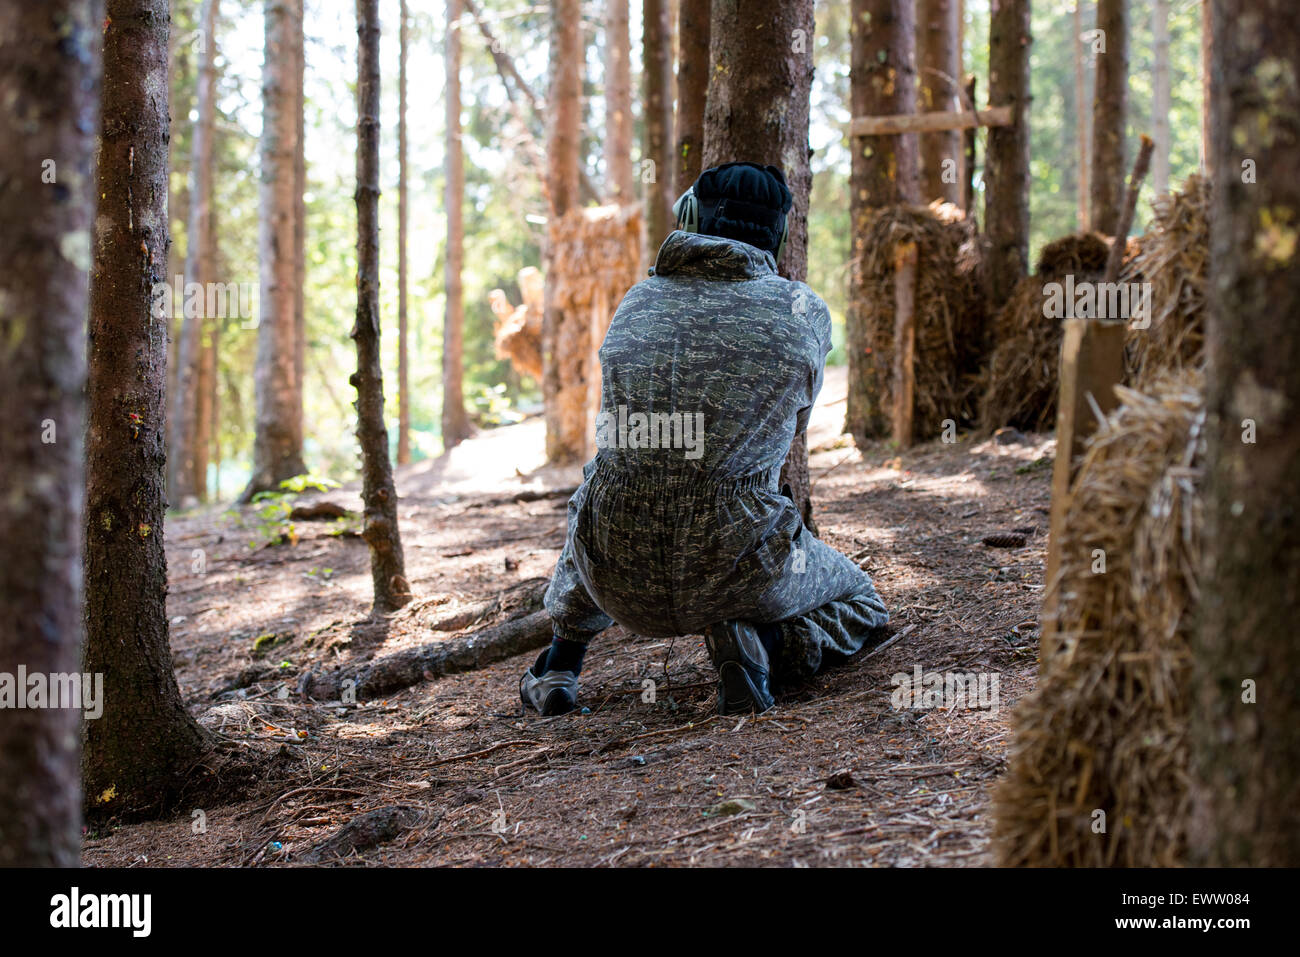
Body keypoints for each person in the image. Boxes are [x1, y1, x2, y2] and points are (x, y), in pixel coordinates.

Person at [521, 161, 889, 717]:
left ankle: (559, 667)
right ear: (781, 233)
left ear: (690, 217)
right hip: (740, 566)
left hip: (614, 576)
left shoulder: (635, 303)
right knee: (864, 601)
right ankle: (762, 647)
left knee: (613, 478)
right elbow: (789, 436)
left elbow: (616, 461)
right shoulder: (804, 311)